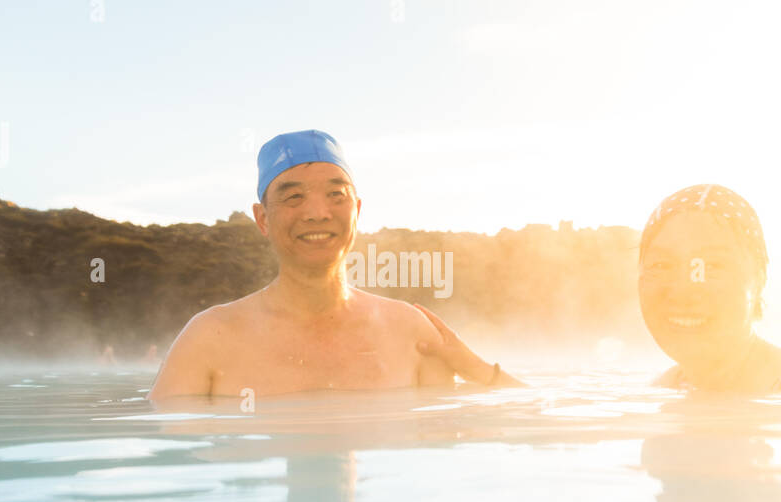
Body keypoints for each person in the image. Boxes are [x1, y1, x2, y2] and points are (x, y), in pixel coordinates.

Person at [148, 130, 518, 399]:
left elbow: (533, 424)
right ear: (262, 219)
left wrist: (477, 370)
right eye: (293, 196)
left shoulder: (411, 333)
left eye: (336, 195)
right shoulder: (210, 338)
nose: (317, 213)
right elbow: (165, 453)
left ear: (356, 210)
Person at [637, 184, 781, 399]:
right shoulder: (665, 387)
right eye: (661, 265)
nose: (683, 291)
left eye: (712, 265)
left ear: (758, 279)